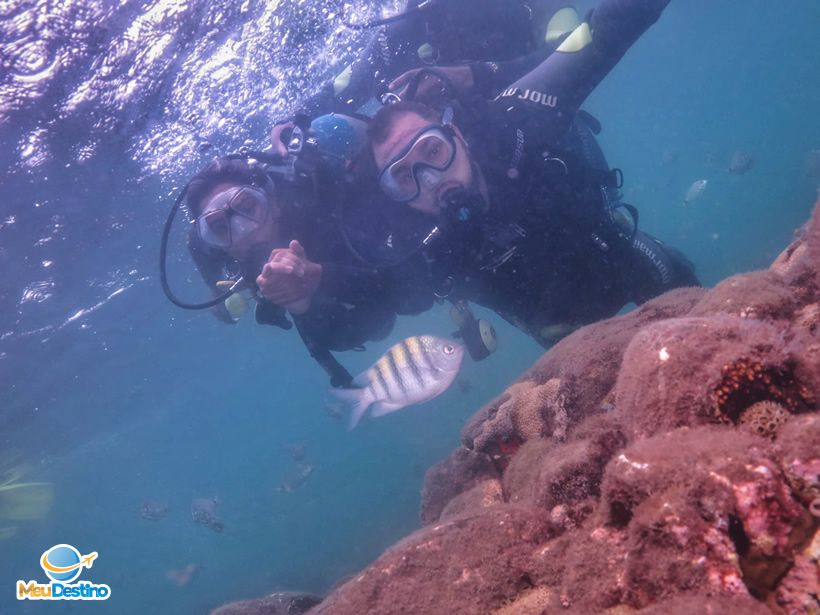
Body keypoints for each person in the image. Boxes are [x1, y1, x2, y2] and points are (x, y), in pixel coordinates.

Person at [364, 0, 699, 346]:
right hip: (551, 321)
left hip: (605, 245)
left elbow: (603, 30)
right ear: (393, 196)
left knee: (675, 285)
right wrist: (304, 292)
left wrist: (481, 74)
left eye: (433, 150)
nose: (432, 180)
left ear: (458, 136)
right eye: (404, 177)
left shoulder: (513, 120)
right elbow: (367, 315)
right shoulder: (412, 244)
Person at [271, 0, 583, 154]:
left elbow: (575, 51)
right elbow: (346, 84)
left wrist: (478, 75)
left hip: (544, 149)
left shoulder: (533, 5)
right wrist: (294, 119)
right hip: (445, 170)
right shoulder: (402, 31)